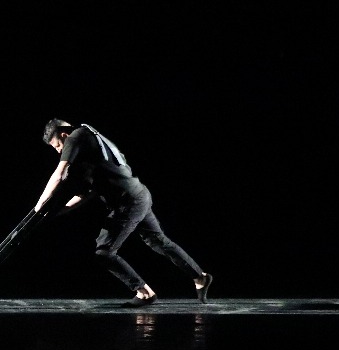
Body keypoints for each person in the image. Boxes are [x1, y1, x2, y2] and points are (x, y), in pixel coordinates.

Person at [33, 119, 213, 307]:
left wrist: (39, 205)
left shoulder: (76, 136)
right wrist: (60, 211)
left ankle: (144, 293)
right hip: (139, 195)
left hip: (128, 203)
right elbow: (86, 193)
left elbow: (60, 174)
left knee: (104, 252)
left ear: (63, 135)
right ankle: (200, 277)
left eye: (57, 146)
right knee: (158, 241)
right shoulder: (91, 148)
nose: (59, 151)